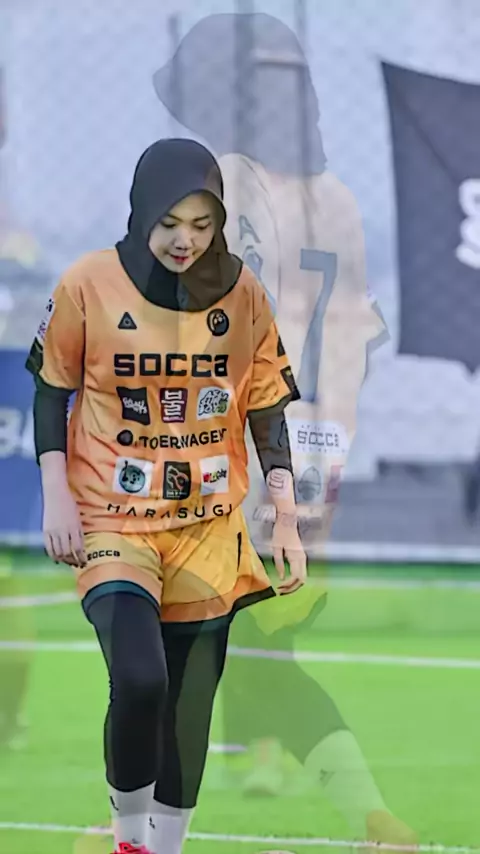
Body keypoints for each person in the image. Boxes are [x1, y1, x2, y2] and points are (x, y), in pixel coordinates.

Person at [153, 13, 416, 850]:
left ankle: (132, 827)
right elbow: (357, 342)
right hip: (311, 459)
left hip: (230, 456)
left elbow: (206, 329)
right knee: (257, 663)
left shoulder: (223, 185)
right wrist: (325, 465)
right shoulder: (336, 201)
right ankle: (374, 819)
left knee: (183, 656)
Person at [26, 138, 307, 854]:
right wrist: (56, 495)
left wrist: (285, 515)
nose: (186, 240)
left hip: (208, 528)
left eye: (202, 225)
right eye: (170, 223)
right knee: (141, 678)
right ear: (142, 212)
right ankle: (129, 838)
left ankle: (166, 847)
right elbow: (51, 391)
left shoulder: (242, 293)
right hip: (112, 519)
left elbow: (267, 405)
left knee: (188, 702)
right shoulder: (87, 284)